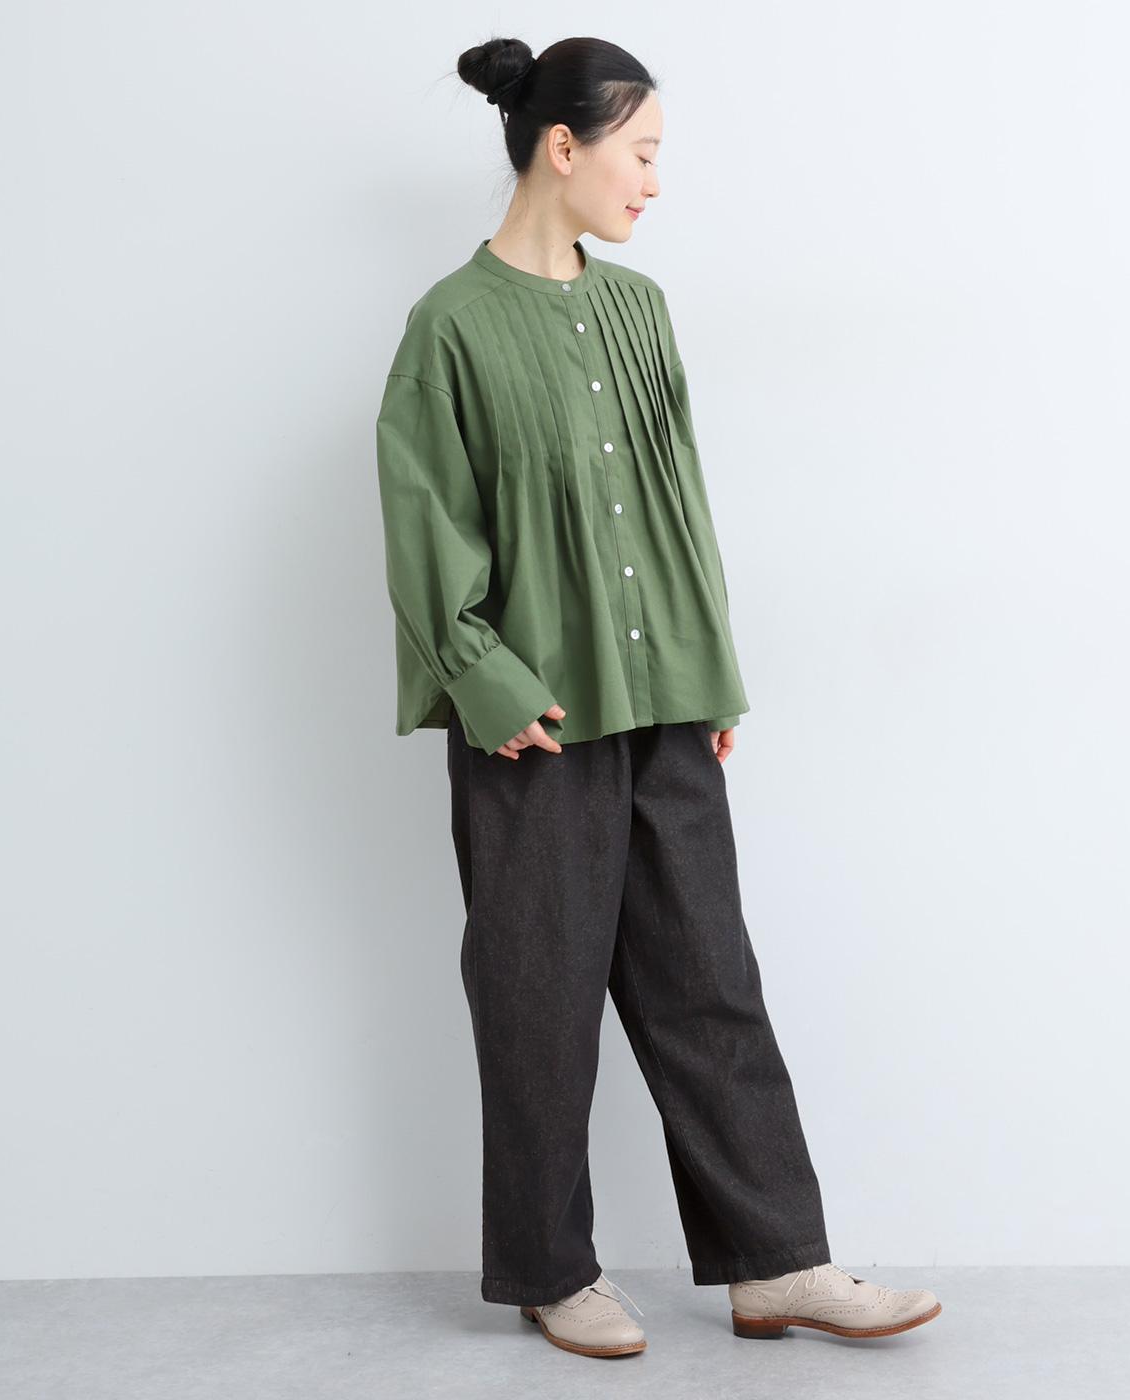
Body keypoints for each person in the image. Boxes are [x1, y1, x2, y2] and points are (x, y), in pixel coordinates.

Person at [375, 34, 942, 1360]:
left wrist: (709, 667)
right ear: (561, 146)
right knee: (538, 996)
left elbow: (678, 502)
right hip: (536, 726)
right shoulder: (449, 327)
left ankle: (777, 1264)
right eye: (640, 153)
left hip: (666, 703)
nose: (654, 180)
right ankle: (549, 1270)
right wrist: (484, 679)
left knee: (710, 981)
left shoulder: (641, 311)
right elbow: (424, 522)